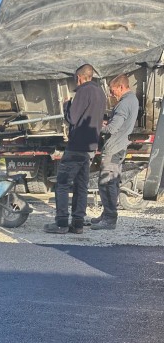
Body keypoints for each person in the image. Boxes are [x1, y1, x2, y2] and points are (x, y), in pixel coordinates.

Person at [45, 64, 107, 235]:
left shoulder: (83, 91)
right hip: (90, 147)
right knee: (81, 186)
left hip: (76, 146)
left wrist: (67, 105)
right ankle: (78, 224)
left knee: (62, 184)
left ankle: (61, 223)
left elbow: (72, 118)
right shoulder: (100, 93)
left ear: (79, 77)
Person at [91, 74, 139, 230]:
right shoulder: (133, 100)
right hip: (120, 147)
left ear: (121, 87)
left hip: (113, 148)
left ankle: (109, 219)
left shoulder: (123, 104)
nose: (112, 94)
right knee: (112, 182)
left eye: (113, 91)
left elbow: (112, 129)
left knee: (107, 183)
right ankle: (107, 214)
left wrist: (96, 125)